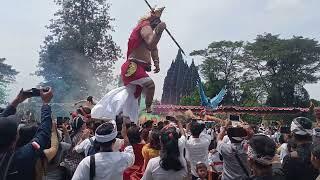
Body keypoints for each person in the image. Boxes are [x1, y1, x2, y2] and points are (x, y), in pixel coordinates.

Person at [91, 7, 166, 123]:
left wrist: (156, 62)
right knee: (150, 85)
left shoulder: (149, 30)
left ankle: (125, 120)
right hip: (133, 66)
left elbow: (153, 49)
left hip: (139, 67)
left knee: (133, 98)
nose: (156, 24)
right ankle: (148, 107)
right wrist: (159, 32)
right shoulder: (144, 26)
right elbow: (151, 43)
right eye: (156, 21)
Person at [0, 88, 53, 180]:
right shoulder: (21, 157)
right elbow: (44, 133)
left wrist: (17, 101)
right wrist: (45, 104)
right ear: (13, 141)